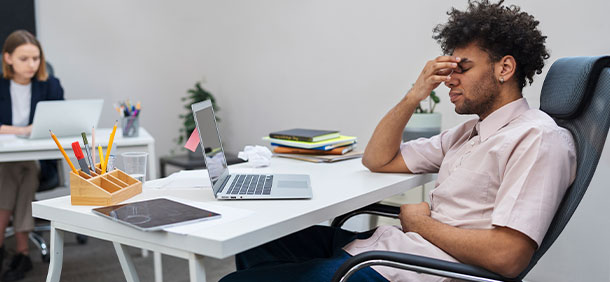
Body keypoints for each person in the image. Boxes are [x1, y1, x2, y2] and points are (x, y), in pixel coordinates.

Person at [220, 1, 577, 281]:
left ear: (504, 69)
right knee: (262, 242)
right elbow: (377, 159)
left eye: (462, 69)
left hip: (417, 271)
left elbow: (508, 257)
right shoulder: (471, 132)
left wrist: (419, 223)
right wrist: (414, 95)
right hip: (389, 250)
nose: (450, 80)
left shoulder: (537, 138)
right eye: (448, 70)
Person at [0, 30, 64, 282]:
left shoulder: (50, 85)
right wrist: (24, 129)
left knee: (21, 167)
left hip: (38, 162)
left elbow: (60, 121)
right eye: (24, 59)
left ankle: (11, 246)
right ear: (8, 58)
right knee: (15, 169)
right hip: (4, 161)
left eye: (36, 58)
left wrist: (13, 130)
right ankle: (22, 252)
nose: (32, 65)